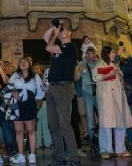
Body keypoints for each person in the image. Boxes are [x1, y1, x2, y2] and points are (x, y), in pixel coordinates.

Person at [43, 19, 80, 166]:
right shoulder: (57, 44)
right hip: (52, 88)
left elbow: (48, 47)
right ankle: (60, 158)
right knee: (53, 125)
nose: (61, 31)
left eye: (64, 30)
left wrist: (56, 33)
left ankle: (73, 159)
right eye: (61, 30)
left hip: (64, 87)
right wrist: (54, 28)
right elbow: (46, 39)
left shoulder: (71, 47)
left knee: (65, 124)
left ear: (69, 33)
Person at [93, 45, 132, 159]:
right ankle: (105, 149)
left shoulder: (115, 64)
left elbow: (120, 77)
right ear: (107, 53)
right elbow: (95, 77)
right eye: (112, 52)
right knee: (106, 123)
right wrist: (108, 74)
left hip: (118, 96)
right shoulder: (99, 64)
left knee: (120, 121)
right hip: (106, 97)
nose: (114, 54)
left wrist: (119, 75)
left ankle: (121, 148)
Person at [7, 58, 45, 164]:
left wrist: (37, 100)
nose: (23, 63)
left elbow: (41, 89)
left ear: (29, 64)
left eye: (25, 62)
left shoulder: (35, 76)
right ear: (19, 65)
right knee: (18, 131)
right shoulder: (15, 75)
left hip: (29, 104)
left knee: (31, 130)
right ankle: (21, 155)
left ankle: (32, 154)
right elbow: (9, 85)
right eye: (21, 62)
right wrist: (14, 92)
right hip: (16, 104)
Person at [76, 46, 98, 142]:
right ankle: (93, 139)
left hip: (99, 92)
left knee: (102, 117)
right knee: (89, 118)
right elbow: (76, 78)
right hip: (87, 93)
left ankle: (102, 138)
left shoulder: (99, 63)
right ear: (86, 54)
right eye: (89, 53)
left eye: (93, 53)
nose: (91, 55)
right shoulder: (81, 64)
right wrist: (79, 71)